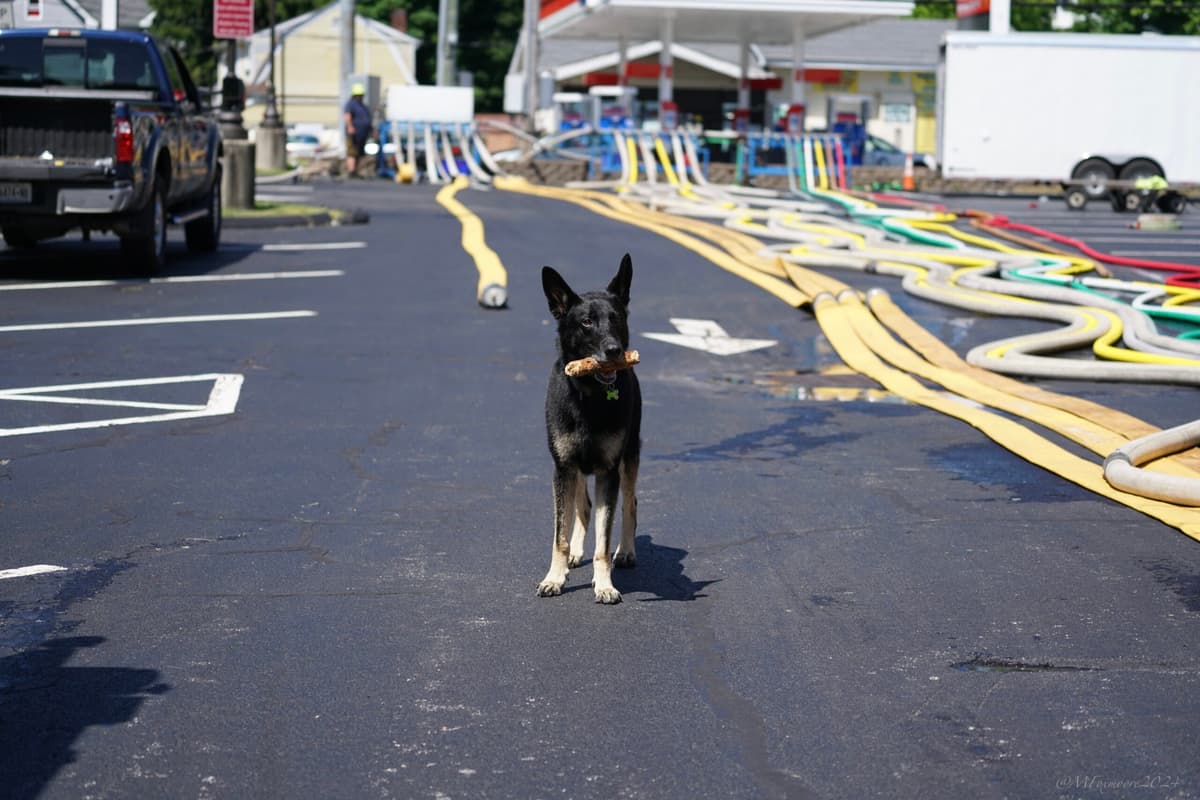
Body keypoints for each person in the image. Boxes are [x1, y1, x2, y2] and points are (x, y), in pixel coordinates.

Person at [343, 83, 372, 177]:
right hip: (353, 134)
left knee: (359, 153)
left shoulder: (363, 106)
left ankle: (356, 171)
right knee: (352, 152)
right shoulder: (350, 104)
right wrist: (350, 127)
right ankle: (351, 171)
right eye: (359, 95)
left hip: (362, 134)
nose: (361, 97)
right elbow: (347, 116)